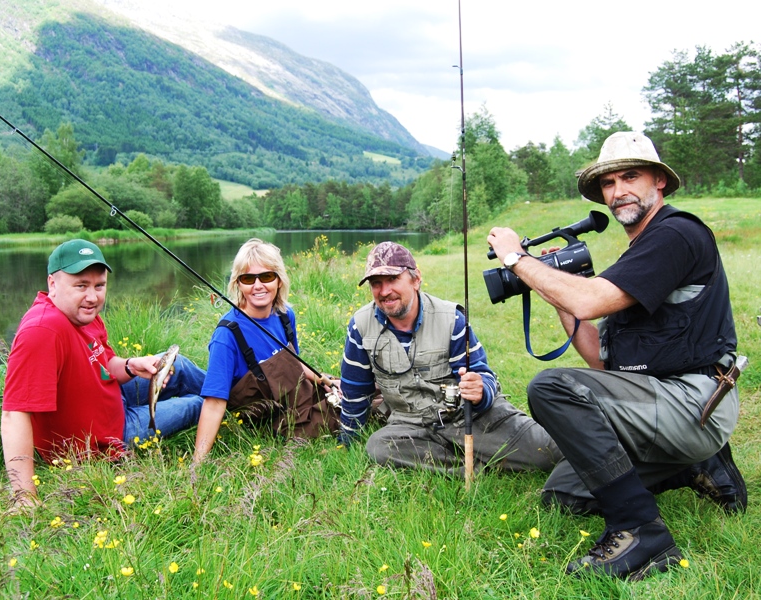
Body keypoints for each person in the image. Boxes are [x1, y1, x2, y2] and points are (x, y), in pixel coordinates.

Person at [487, 131, 747, 580]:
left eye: (630, 177)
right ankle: (695, 465)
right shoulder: (639, 255)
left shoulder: (677, 234)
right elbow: (600, 363)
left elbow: (588, 301)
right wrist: (556, 287)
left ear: (658, 181)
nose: (617, 190)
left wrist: (517, 259)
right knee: (564, 496)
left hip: (695, 400)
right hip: (656, 401)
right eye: (608, 183)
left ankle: (641, 533)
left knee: (552, 388)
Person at [1, 239, 205, 506]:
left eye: (99, 285)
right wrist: (25, 496)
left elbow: (105, 363)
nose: (93, 297)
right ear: (53, 284)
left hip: (112, 397)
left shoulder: (83, 314)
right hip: (107, 435)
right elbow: (14, 414)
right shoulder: (43, 331)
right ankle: (236, 403)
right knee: (197, 404)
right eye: (81, 285)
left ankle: (243, 392)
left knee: (179, 364)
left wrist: (131, 365)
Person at [338, 241, 562, 475]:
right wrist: (347, 442)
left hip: (469, 418)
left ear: (416, 279)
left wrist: (480, 391)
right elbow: (355, 391)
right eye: (376, 283)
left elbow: (484, 375)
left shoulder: (451, 319)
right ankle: (477, 467)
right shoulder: (360, 326)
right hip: (411, 425)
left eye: (393, 279)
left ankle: (474, 456)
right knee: (378, 447)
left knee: (549, 453)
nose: (384, 291)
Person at [192, 238, 339, 465]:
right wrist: (197, 464)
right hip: (267, 416)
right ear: (238, 284)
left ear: (279, 280)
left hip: (296, 394)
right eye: (248, 279)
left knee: (357, 393)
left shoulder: (285, 315)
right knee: (342, 415)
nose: (258, 285)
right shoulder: (226, 335)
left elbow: (295, 364)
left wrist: (323, 379)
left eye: (267, 276)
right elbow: (214, 403)